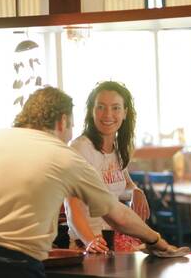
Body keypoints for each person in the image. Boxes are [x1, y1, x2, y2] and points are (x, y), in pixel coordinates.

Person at [0, 87, 186, 278]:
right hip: (16, 263)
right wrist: (156, 240)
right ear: (62, 122)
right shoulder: (65, 155)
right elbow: (117, 215)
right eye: (70, 126)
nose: (70, 134)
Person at [64, 81, 149, 253]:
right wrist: (90, 242)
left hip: (114, 237)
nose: (108, 114)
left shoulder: (117, 148)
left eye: (116, 108)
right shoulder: (80, 149)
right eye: (101, 107)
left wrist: (136, 191)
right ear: (91, 111)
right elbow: (71, 207)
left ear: (125, 113)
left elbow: (125, 184)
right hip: (88, 244)